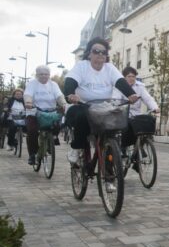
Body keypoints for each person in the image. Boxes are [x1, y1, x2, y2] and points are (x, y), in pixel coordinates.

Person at [64, 37, 138, 187]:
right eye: (96, 51)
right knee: (81, 118)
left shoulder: (109, 68)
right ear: (89, 54)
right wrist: (70, 94)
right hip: (83, 104)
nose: (100, 55)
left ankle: (113, 164)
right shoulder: (81, 67)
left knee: (125, 126)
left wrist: (130, 94)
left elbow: (120, 82)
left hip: (104, 107)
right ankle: (77, 149)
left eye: (103, 52)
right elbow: (70, 82)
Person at [113, 66, 159, 165]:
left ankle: (140, 145)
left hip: (136, 114)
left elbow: (148, 99)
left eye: (133, 76)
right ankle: (123, 148)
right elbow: (115, 100)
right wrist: (125, 102)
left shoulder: (140, 86)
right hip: (123, 113)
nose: (131, 78)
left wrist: (155, 108)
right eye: (129, 76)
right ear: (124, 77)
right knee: (126, 128)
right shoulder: (119, 86)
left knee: (148, 120)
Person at [24, 65, 67, 165]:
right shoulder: (32, 84)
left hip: (50, 112)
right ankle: (32, 155)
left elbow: (59, 96)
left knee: (57, 125)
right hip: (34, 112)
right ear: (37, 75)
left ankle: (51, 142)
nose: (44, 76)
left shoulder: (53, 84)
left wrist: (64, 104)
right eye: (41, 74)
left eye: (46, 74)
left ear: (49, 75)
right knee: (32, 131)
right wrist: (28, 102)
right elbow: (28, 94)